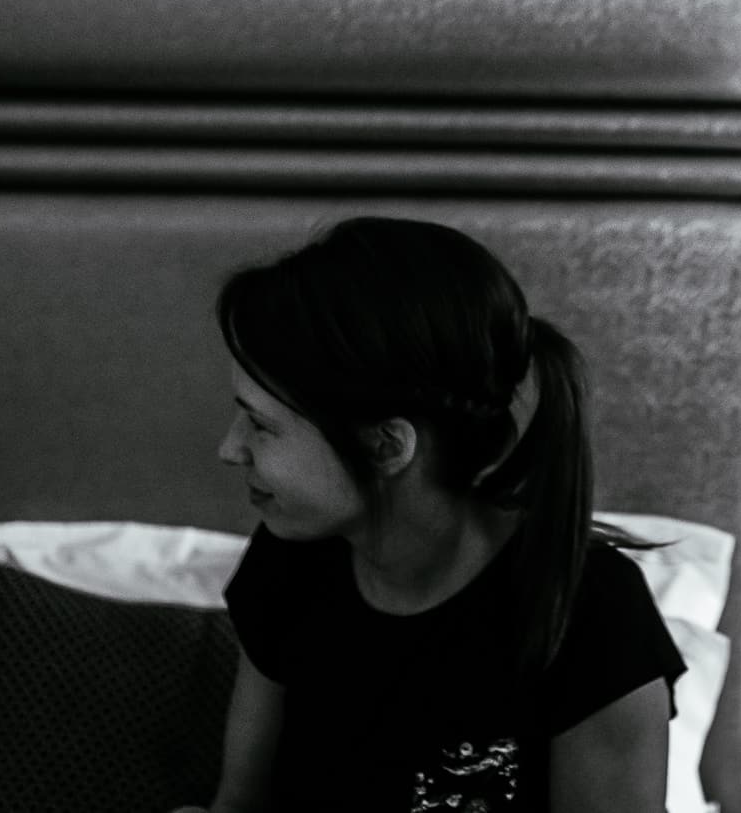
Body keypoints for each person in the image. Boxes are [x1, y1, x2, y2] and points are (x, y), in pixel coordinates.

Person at [189, 217, 684, 813]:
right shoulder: (290, 560)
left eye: (263, 425)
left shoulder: (594, 617)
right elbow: (239, 806)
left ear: (387, 446)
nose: (229, 448)